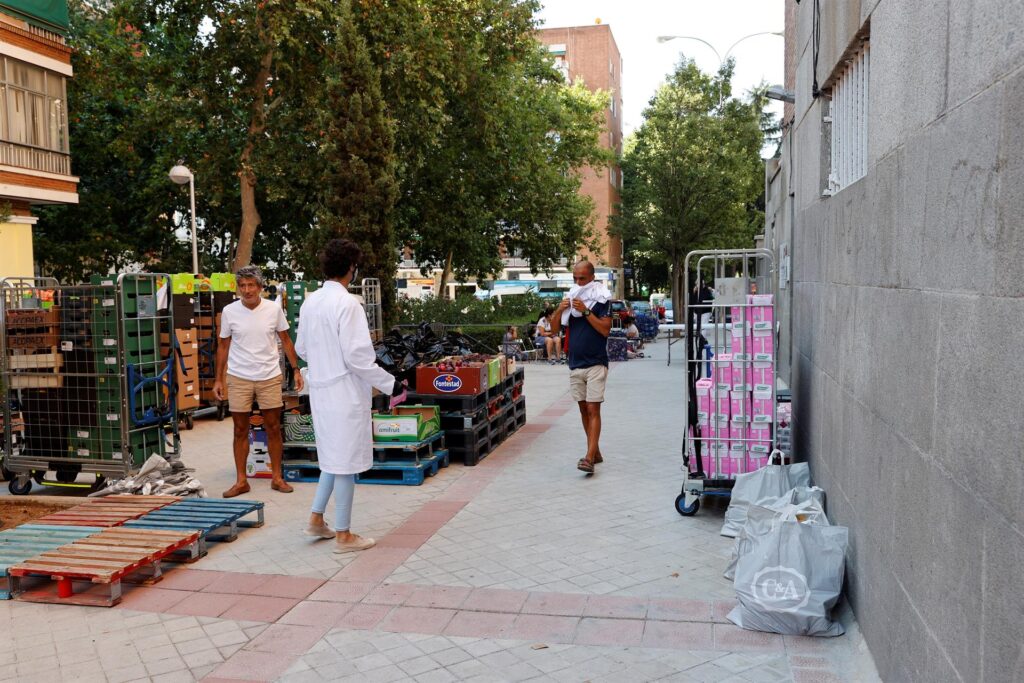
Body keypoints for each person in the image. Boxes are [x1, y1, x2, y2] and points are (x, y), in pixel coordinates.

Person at [295, 239, 404, 553]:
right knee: (344, 463)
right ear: (351, 269)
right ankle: (343, 535)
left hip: (321, 391)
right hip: (344, 394)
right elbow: (358, 358)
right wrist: (391, 384)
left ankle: (316, 518)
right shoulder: (348, 305)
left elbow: (302, 348)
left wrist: (325, 359)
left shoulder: (311, 302)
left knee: (332, 456)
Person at [214, 265, 303, 498]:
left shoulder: (273, 309)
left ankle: (277, 477)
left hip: (269, 376)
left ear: (260, 287)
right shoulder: (229, 311)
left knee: (273, 426)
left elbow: (286, 340)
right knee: (239, 429)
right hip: (239, 377)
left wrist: (296, 370)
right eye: (242, 286)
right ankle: (241, 481)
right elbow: (223, 346)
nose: (246, 290)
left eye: (251, 285)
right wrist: (218, 379)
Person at [550, 260, 612, 473]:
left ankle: (589, 458)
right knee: (583, 409)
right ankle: (596, 451)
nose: (578, 282)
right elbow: (554, 329)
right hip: (575, 363)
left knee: (593, 409)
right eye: (575, 278)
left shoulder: (601, 298)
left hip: (596, 362)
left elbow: (605, 330)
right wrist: (559, 310)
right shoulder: (571, 298)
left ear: (592, 277)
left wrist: (586, 311)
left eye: (582, 278)